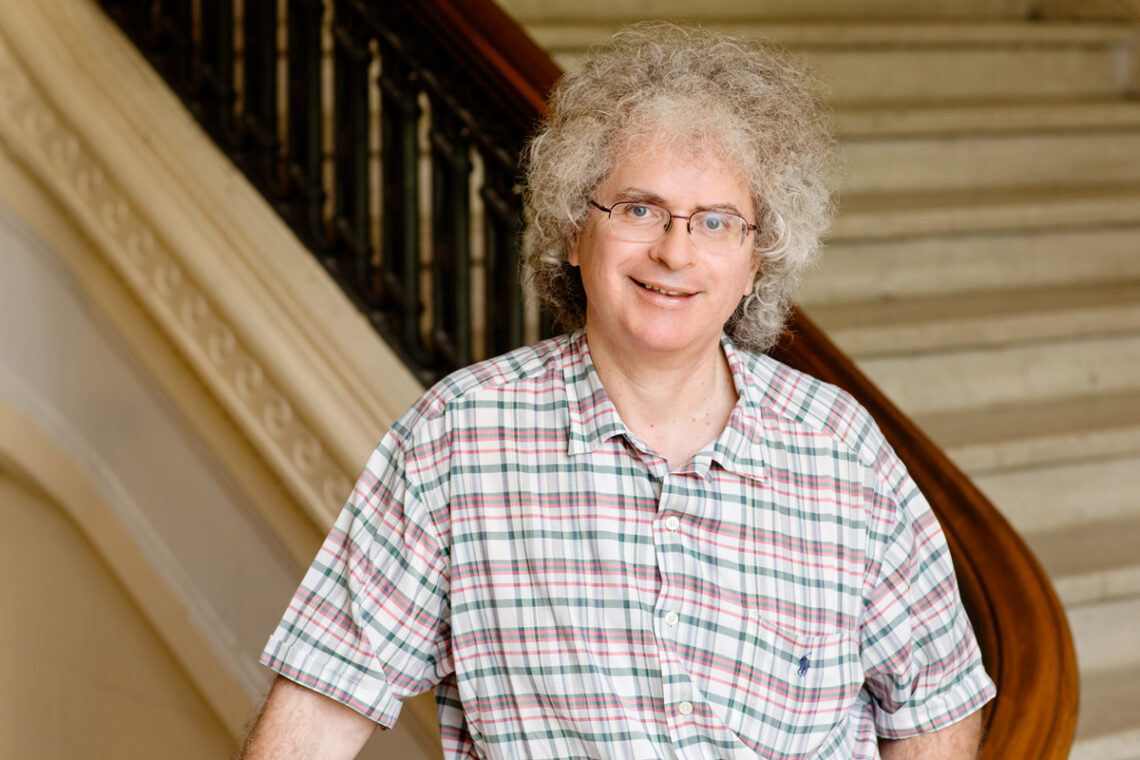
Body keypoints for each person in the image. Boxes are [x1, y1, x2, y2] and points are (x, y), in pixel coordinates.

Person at [240, 21, 996, 760]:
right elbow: (316, 710)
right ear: (574, 232)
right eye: (639, 209)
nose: (674, 251)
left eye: (716, 222)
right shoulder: (458, 437)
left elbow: (935, 703)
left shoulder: (842, 449)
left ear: (755, 260)